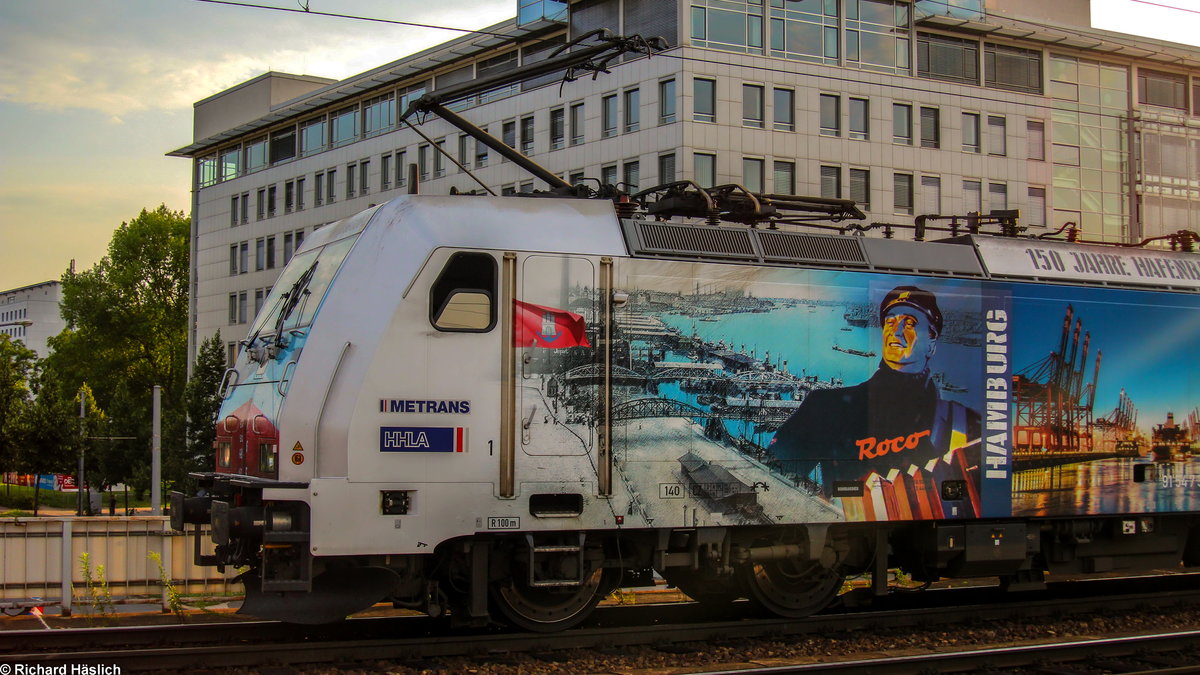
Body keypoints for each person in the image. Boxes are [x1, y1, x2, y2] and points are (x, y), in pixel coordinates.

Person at [769, 285, 981, 520]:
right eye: (890, 323)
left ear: (931, 343)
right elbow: (774, 483)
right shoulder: (826, 405)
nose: (896, 332)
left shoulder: (965, 422)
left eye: (909, 324)